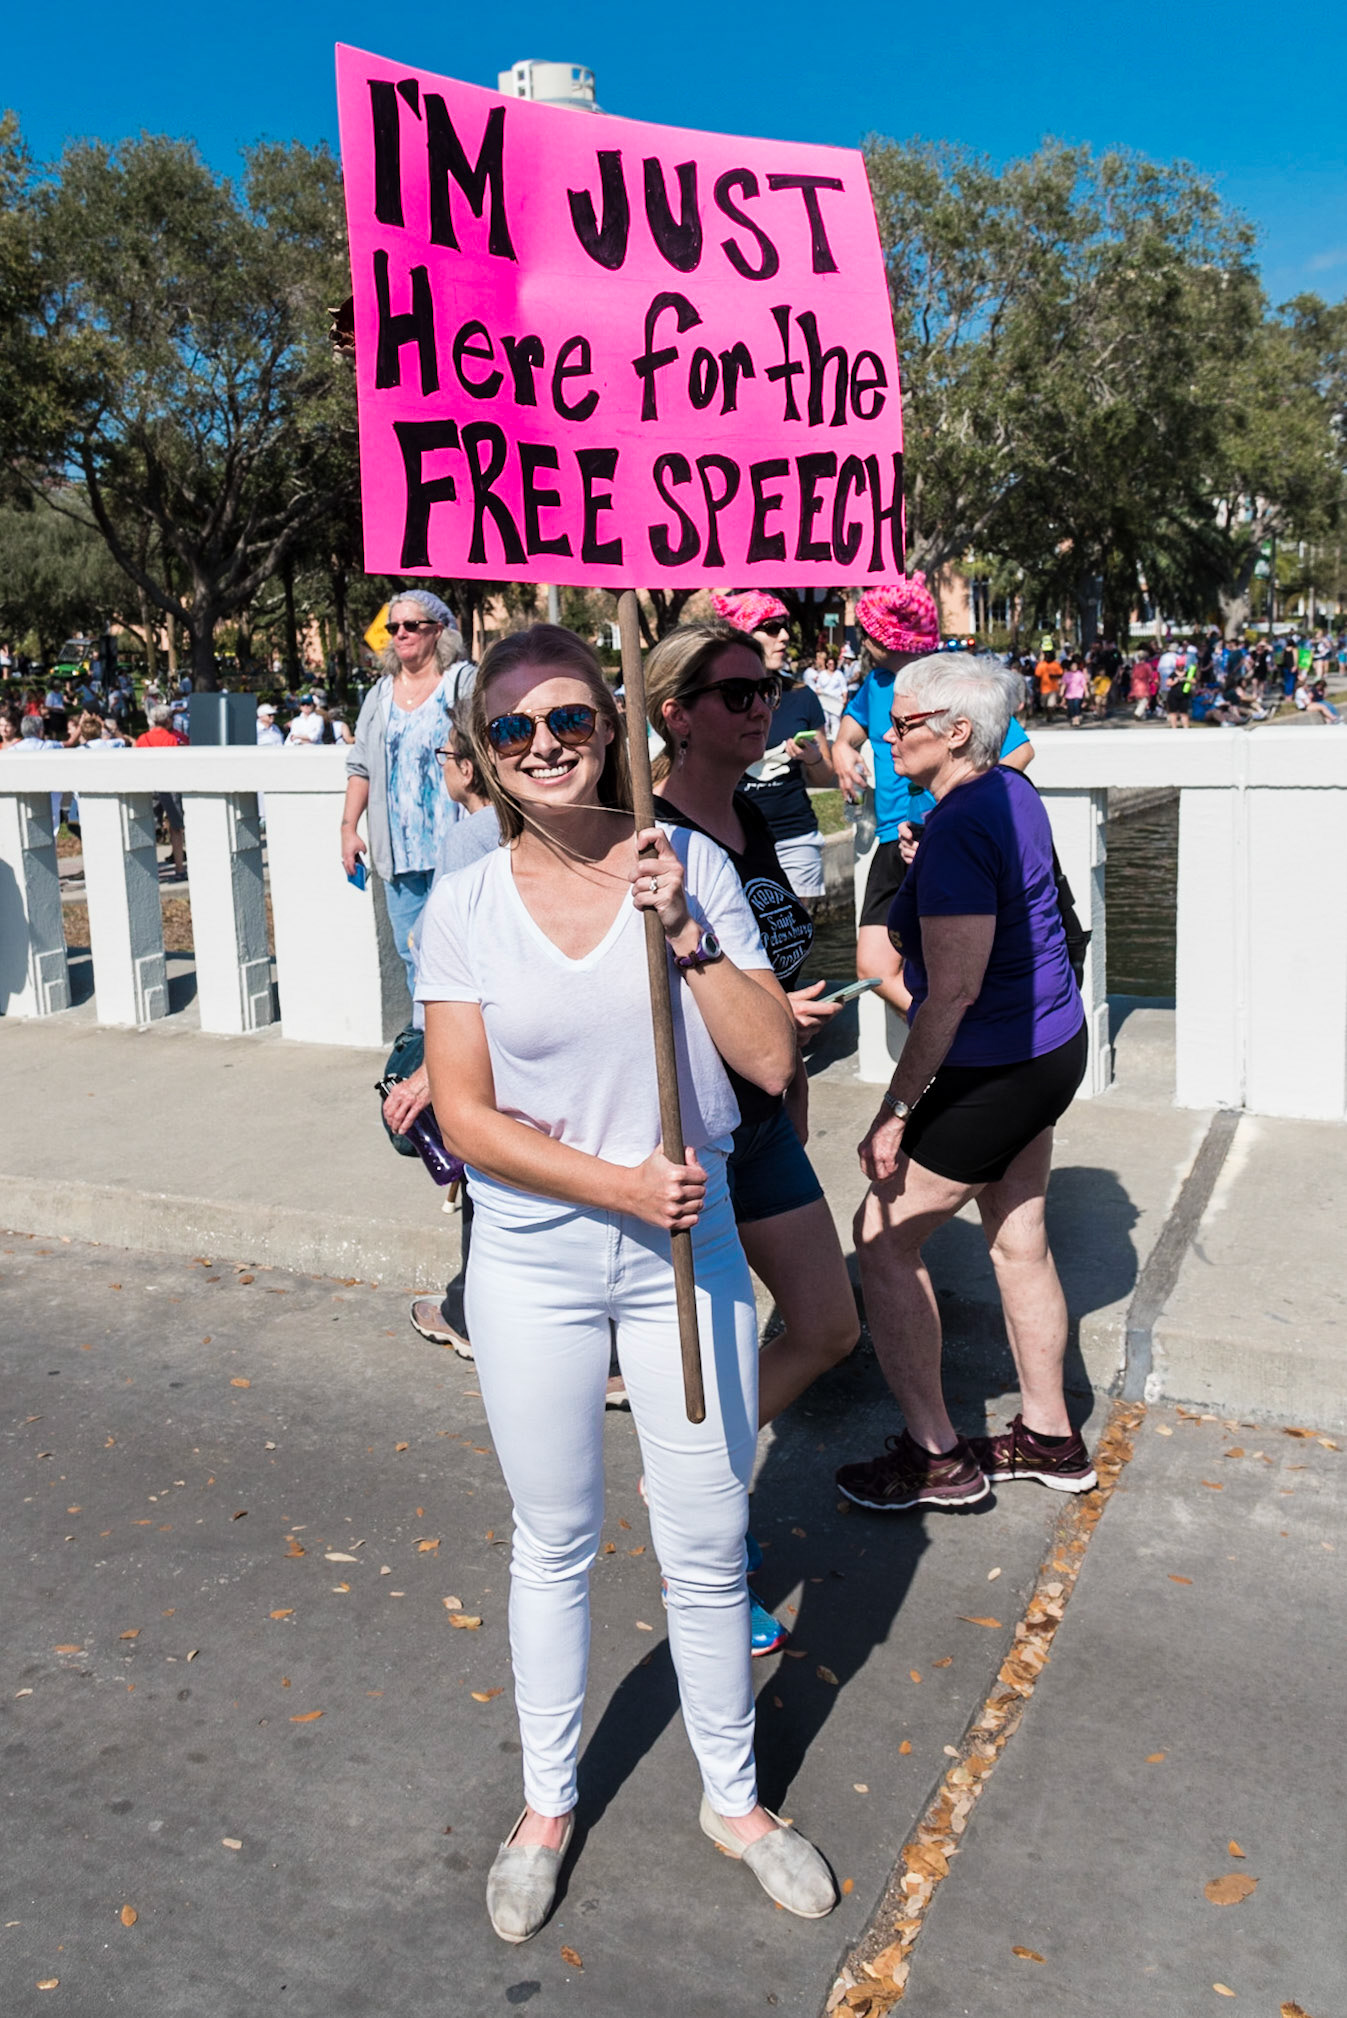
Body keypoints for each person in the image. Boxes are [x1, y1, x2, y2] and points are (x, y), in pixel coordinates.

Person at [416, 624, 835, 1940]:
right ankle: (546, 1803)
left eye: (568, 721)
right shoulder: (465, 905)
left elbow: (768, 1060)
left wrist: (690, 936)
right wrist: (610, 1185)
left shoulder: (688, 859)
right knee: (554, 1540)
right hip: (538, 1263)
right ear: (481, 759)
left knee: (707, 1540)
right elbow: (466, 1115)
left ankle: (733, 1795)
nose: (545, 746)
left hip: (682, 1256)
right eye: (513, 731)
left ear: (609, 726)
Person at [833, 652, 1096, 1514]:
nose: (884, 734)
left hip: (994, 1067)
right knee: (1017, 1240)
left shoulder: (959, 825)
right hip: (1051, 1048)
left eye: (902, 723)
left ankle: (936, 1455)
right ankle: (1050, 1436)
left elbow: (948, 993)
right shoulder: (1006, 794)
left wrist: (894, 1109)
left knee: (881, 1238)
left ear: (955, 732)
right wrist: (929, 854)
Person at [645, 618, 860, 1655]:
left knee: (827, 1325)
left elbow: (766, 972)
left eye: (766, 686)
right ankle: (706, 1543)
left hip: (773, 1110)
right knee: (721, 1345)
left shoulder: (762, 812)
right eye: (735, 692)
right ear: (676, 714)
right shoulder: (641, 838)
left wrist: (788, 1034)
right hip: (700, 1131)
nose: (760, 704)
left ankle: (689, 1471)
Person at [832, 581, 1033, 1015]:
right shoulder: (877, 682)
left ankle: (956, 1047)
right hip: (892, 838)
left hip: (938, 837)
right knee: (873, 964)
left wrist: (959, 807)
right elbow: (850, 732)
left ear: (888, 637)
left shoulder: (948, 685)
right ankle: (947, 1038)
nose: (862, 642)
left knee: (954, 964)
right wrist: (840, 750)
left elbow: (1018, 750)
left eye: (868, 633)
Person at [342, 592, 476, 995]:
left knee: (462, 951)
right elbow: (360, 766)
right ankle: (426, 1044)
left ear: (438, 630)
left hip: (456, 846)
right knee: (410, 951)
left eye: (411, 625)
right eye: (393, 627)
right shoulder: (380, 694)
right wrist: (348, 829)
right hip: (397, 853)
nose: (400, 634)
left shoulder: (463, 682)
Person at [710, 592, 835, 901]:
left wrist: (814, 759)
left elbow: (825, 778)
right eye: (771, 628)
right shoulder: (713, 696)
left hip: (795, 837)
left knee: (792, 940)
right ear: (741, 635)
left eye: (786, 626)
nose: (785, 636)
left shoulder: (802, 696)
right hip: (730, 838)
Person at [135, 704, 188, 878]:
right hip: (169, 785)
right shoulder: (172, 739)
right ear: (167, 720)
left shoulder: (142, 738)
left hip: (149, 785)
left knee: (148, 827)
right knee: (176, 827)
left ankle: (148, 870)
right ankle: (179, 868)